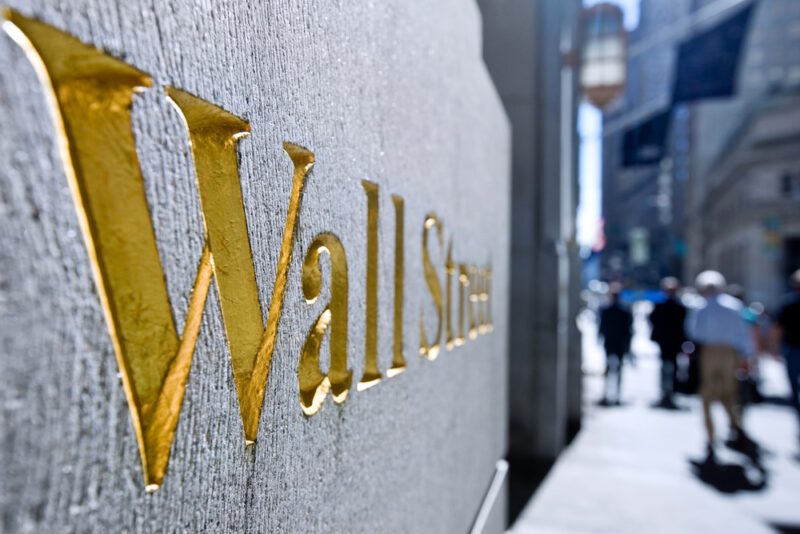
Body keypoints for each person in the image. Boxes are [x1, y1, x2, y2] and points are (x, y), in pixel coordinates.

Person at [686, 271, 755, 458]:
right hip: (729, 353)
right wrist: (746, 357)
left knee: (707, 394)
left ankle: (711, 434)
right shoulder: (733, 306)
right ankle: (735, 424)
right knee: (730, 392)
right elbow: (743, 334)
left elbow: (694, 332)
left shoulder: (700, 307)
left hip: (709, 352)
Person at [649, 277, 687, 409]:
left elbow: (684, 326)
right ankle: (664, 393)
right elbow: (654, 322)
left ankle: (671, 393)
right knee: (665, 367)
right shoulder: (661, 306)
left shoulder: (680, 307)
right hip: (665, 343)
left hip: (674, 343)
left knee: (673, 368)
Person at [773, 269, 800, 445]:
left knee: (794, 388)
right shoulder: (788, 304)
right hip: (792, 349)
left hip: (792, 350)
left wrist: (774, 348)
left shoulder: (788, 304)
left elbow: (778, 329)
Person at [598, 283, 634, 405]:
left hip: (619, 343)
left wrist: (628, 344)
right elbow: (602, 326)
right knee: (608, 368)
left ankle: (617, 394)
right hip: (610, 342)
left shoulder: (624, 310)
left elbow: (628, 329)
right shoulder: (606, 310)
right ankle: (606, 393)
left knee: (619, 369)